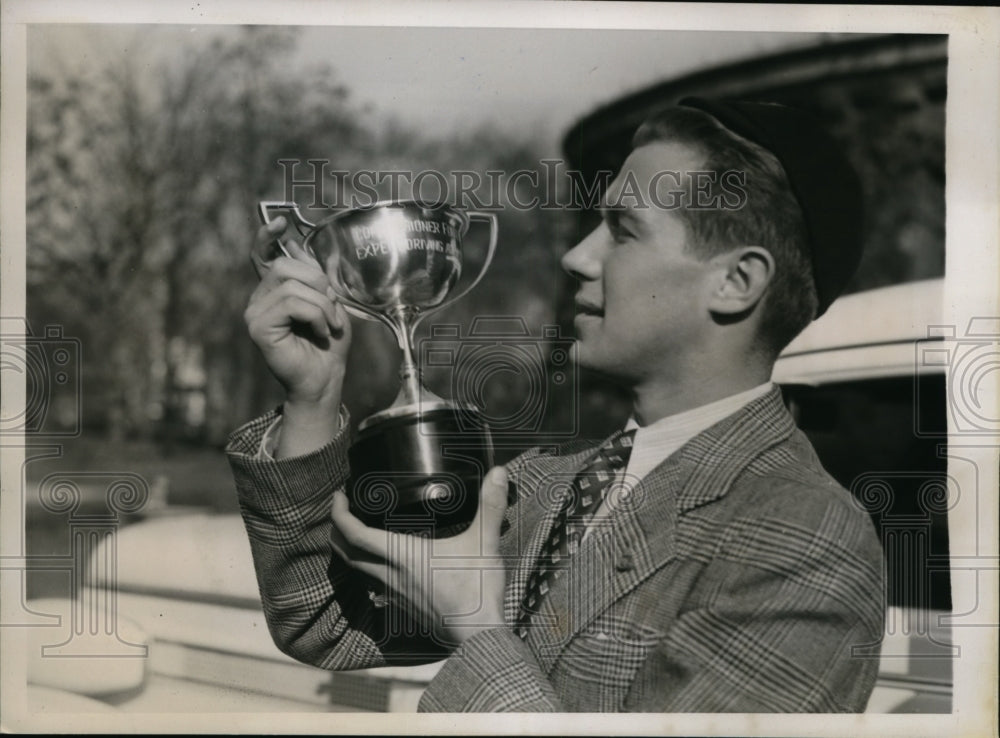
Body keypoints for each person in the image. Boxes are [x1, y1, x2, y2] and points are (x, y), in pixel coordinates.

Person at [226, 97, 884, 712]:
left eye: (622, 232)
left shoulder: (808, 539)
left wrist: (475, 626)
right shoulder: (548, 480)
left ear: (736, 283)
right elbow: (322, 619)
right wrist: (311, 397)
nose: (576, 257)